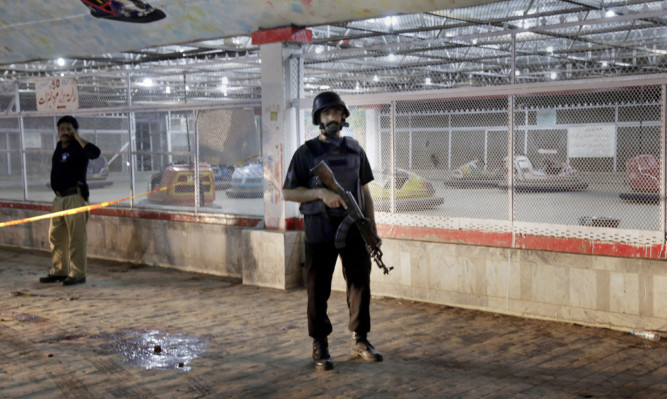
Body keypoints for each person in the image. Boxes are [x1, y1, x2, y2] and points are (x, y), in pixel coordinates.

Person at [283, 91, 383, 371]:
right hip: (319, 230)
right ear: (318, 118)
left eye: (336, 113)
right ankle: (320, 343)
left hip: (353, 229)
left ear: (343, 117)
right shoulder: (306, 153)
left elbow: (365, 192)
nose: (332, 118)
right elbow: (288, 192)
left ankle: (360, 339)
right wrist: (320, 194)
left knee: (360, 283)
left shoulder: (355, 150)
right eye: (326, 114)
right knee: (318, 289)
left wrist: (371, 229)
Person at [39, 116, 101, 286]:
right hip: (59, 199)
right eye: (62, 129)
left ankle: (77, 273)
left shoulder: (79, 148)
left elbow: (95, 153)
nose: (65, 132)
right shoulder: (59, 147)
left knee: (76, 238)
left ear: (74, 130)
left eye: (69, 129)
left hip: (75, 198)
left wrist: (78, 138)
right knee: (56, 236)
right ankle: (59, 271)